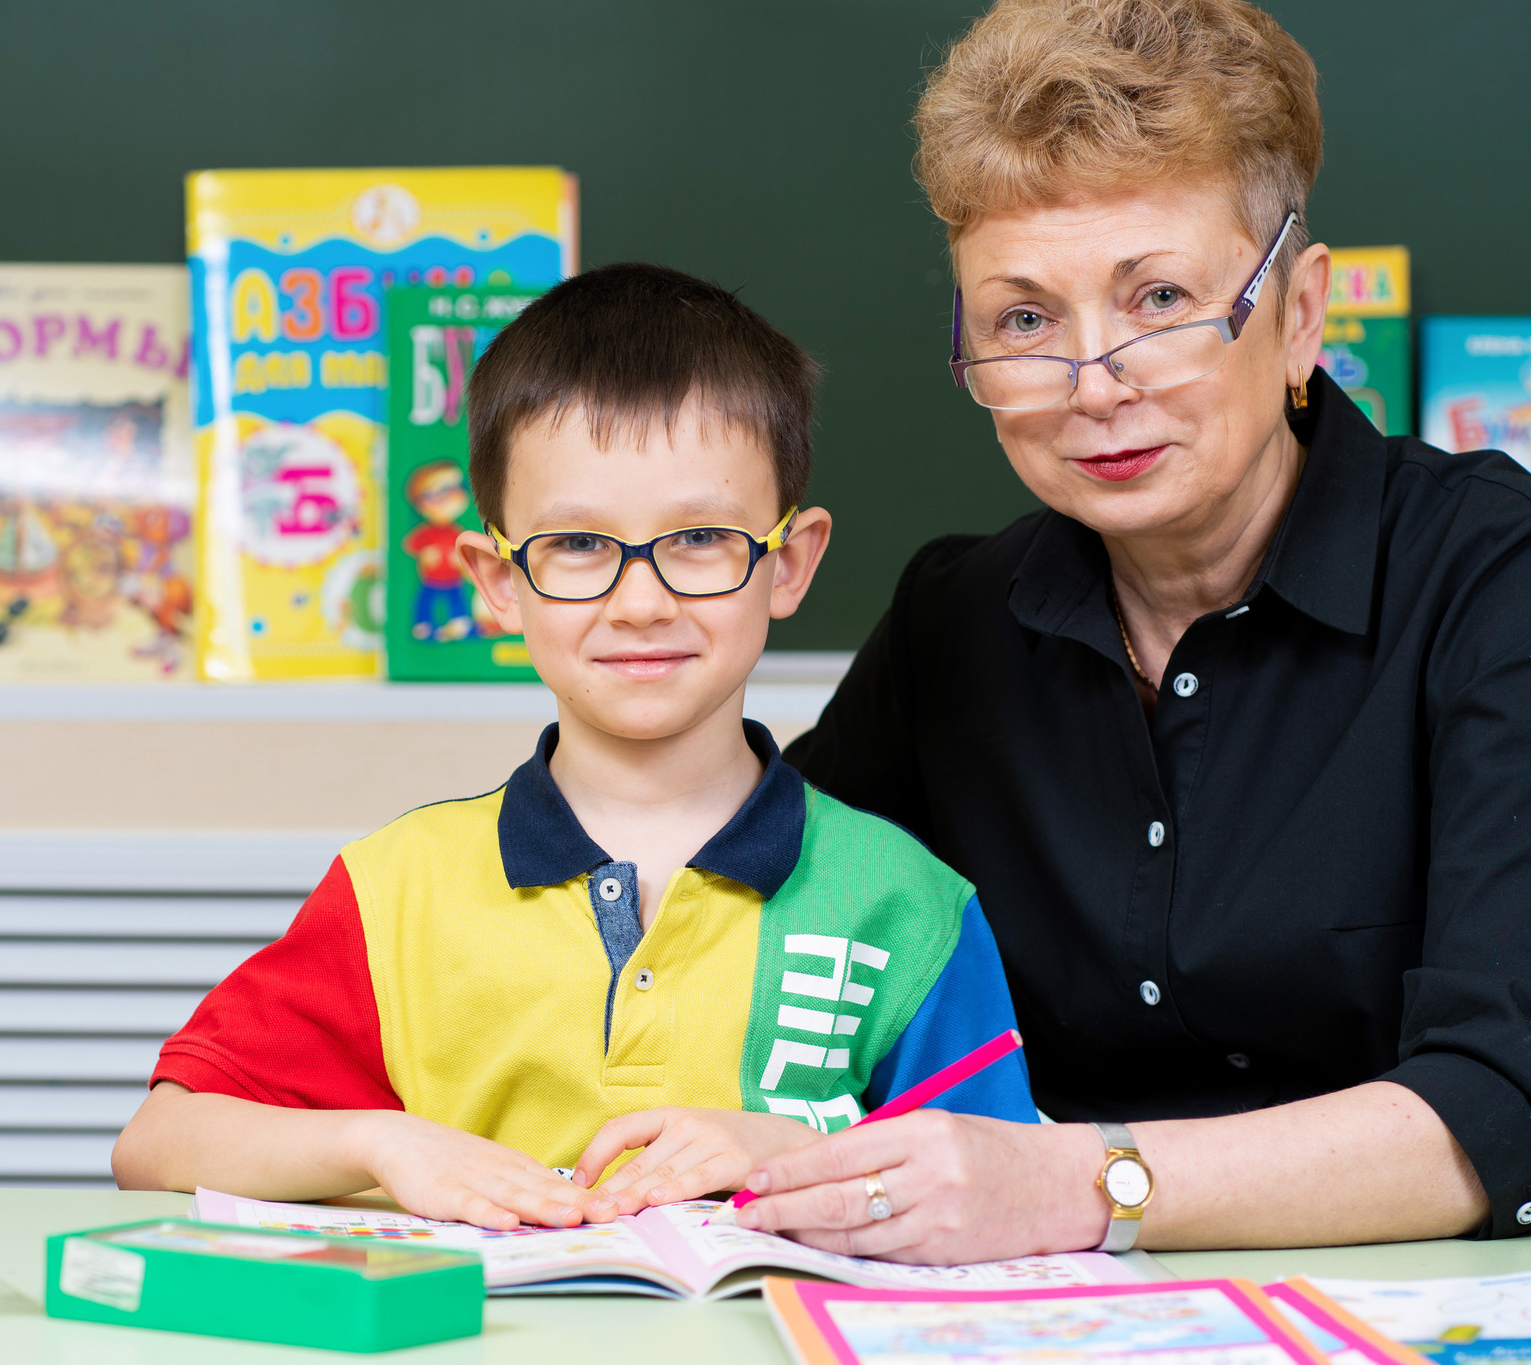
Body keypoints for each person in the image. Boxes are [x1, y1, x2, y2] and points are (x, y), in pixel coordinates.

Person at [735, 0, 1531, 1263]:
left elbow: (1510, 1101)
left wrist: (1071, 1183)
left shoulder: (1510, 577)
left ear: (1301, 312)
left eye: (1158, 299)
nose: (1092, 383)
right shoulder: (956, 622)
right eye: (1024, 318)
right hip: (1118, 1331)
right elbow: (750, 917)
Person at [112, 263, 1037, 1228]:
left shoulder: (908, 904)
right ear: (496, 581)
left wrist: (797, 1156)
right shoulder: (397, 890)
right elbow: (158, 1142)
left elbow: (1000, 1188)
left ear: (789, 564)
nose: (641, 602)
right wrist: (381, 1143)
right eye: (579, 545)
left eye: (700, 539)